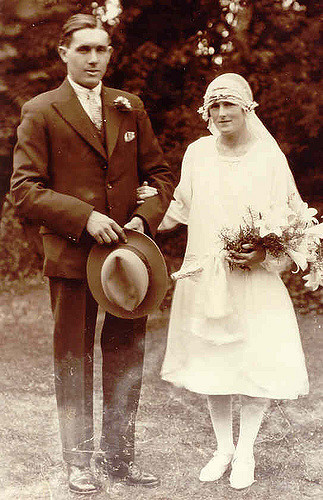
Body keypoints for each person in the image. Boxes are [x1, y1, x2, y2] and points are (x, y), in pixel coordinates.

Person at [10, 13, 174, 495]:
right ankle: (78, 463)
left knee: (126, 355)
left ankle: (120, 459)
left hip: (128, 260)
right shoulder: (41, 110)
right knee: (73, 358)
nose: (94, 59)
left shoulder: (130, 107)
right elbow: (24, 190)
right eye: (84, 49)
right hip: (70, 258)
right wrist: (84, 217)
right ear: (63, 53)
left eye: (102, 50)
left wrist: (145, 216)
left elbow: (160, 175)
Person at [139, 73, 309, 490]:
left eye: (228, 104)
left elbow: (293, 219)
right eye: (213, 105)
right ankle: (223, 448)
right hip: (206, 276)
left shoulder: (269, 157)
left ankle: (246, 450)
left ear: (247, 108)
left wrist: (264, 253)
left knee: (253, 362)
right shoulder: (197, 153)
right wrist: (138, 215)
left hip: (253, 279)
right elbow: (178, 207)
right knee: (213, 364)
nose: (220, 113)